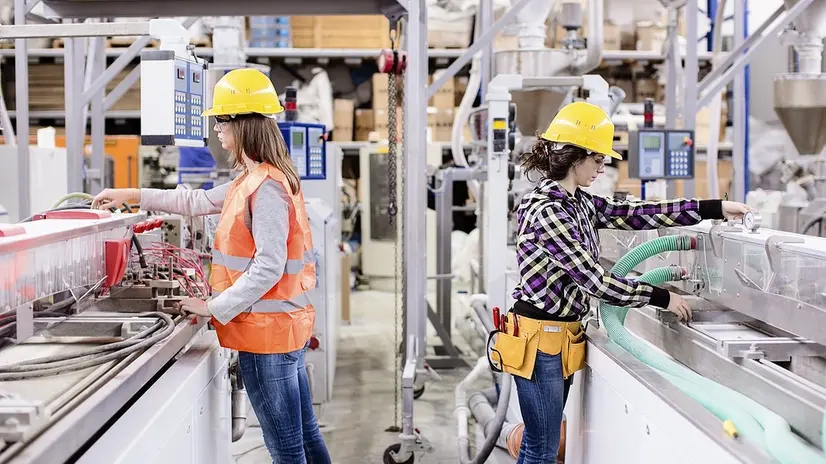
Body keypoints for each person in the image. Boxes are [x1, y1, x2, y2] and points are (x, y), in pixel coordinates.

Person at [92, 68, 331, 464]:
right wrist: (130, 194)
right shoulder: (255, 179)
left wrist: (212, 307)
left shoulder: (266, 188)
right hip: (279, 330)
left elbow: (268, 267)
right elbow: (196, 202)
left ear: (243, 124)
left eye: (221, 121)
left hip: (267, 337)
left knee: (287, 450)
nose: (217, 130)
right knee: (305, 437)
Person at [506, 101, 750, 463]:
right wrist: (660, 296)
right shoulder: (549, 211)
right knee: (541, 448)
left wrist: (711, 208)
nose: (602, 167)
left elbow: (635, 213)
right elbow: (595, 282)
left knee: (540, 443)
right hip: (541, 341)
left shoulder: (577, 202)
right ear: (576, 156)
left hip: (559, 338)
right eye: (598, 159)